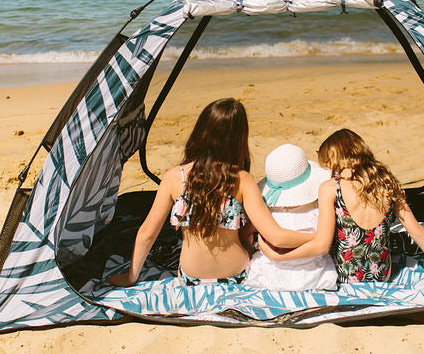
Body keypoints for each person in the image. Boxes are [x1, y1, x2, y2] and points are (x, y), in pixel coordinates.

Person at [108, 98, 311, 287]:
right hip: (236, 275)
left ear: (201, 131)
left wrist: (130, 278)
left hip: (190, 278)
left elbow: (146, 235)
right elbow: (276, 236)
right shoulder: (241, 180)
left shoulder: (174, 177)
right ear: (239, 138)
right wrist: (318, 239)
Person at [261, 129, 424, 283]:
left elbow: (322, 246)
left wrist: (280, 256)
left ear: (335, 158)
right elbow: (416, 231)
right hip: (382, 274)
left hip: (346, 276)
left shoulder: (330, 188)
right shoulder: (388, 183)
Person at [244, 144, 338, 291]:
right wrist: (319, 238)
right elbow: (325, 244)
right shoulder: (318, 208)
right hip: (315, 277)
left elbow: (244, 234)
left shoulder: (265, 214)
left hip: (270, 277)